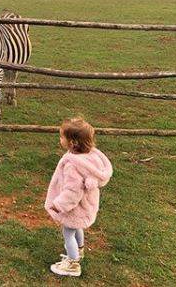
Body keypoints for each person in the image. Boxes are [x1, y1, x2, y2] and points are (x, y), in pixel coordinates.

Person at [44, 117, 113, 277]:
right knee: (77, 227)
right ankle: (79, 251)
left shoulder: (73, 165)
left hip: (74, 208)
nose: (60, 139)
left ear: (73, 142)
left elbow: (72, 192)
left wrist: (58, 204)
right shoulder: (91, 157)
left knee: (68, 233)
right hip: (86, 206)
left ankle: (73, 263)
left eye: (62, 137)